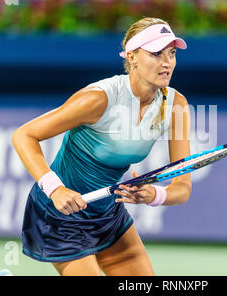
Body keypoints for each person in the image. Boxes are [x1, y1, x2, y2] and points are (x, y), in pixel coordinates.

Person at [11, 17, 192, 276]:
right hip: (61, 216)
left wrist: (153, 195)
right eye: (156, 53)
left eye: (172, 53)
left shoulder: (176, 106)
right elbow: (24, 135)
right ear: (132, 57)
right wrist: (56, 189)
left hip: (108, 215)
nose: (167, 62)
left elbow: (182, 189)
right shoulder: (98, 99)